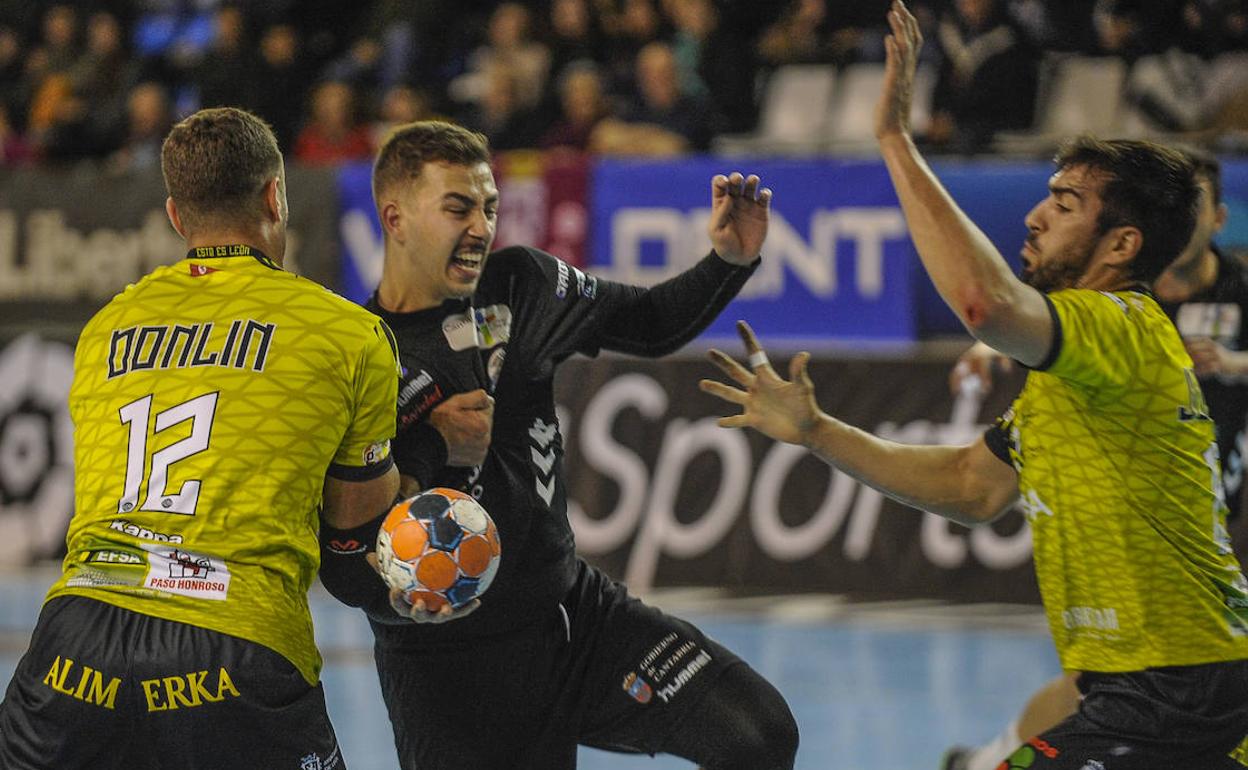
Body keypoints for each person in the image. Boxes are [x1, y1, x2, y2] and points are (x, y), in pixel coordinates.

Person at [702, 2, 1248, 768]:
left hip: (1179, 692)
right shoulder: (1077, 373)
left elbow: (983, 303)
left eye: (1064, 205)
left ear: (1122, 244)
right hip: (1157, 689)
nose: (1033, 217)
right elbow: (971, 485)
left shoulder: (1120, 323)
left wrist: (895, 142)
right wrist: (820, 433)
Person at [317, 120, 799, 769]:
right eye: (458, 208)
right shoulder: (360, 355)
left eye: (489, 207)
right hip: (449, 673)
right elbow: (346, 558)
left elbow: (649, 323)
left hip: (574, 618)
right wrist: (434, 444)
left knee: (756, 732)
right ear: (394, 218)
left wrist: (728, 262)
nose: (481, 227)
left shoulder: (523, 286)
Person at [0, 107, 401, 769]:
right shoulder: (348, 334)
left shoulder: (106, 326)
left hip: (76, 638)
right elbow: (354, 523)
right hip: (233, 636)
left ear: (175, 215)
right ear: (275, 197)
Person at [941, 146, 1247, 770]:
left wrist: (1235, 363)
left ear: (1216, 219)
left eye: (1197, 204)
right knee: (1096, 683)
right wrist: (994, 343)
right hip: (1152, 526)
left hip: (1212, 516)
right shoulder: (1128, 301)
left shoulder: (1233, 291)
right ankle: (993, 756)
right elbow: (1049, 326)